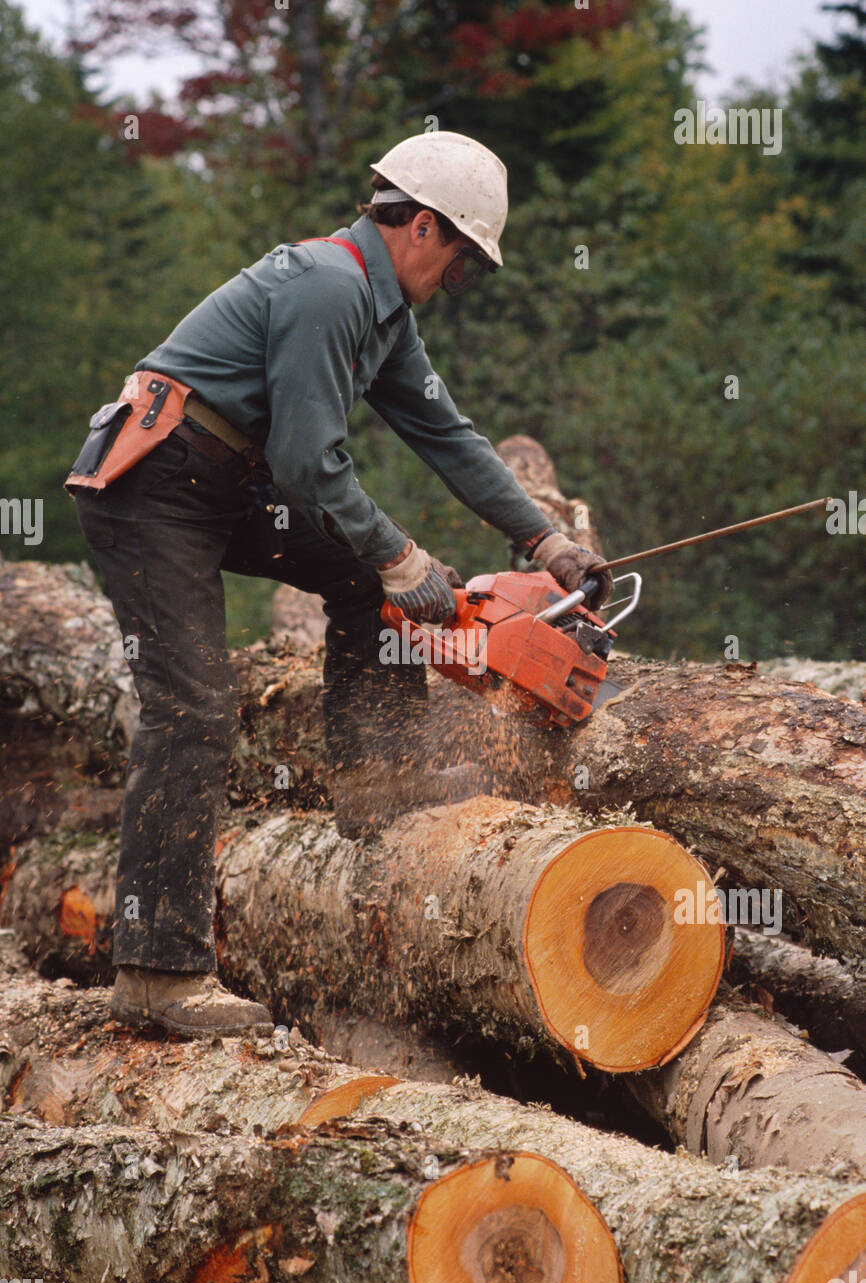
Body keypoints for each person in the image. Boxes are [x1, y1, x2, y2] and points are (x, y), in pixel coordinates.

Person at [66, 130, 612, 1038]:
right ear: (424, 227)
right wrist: (401, 552)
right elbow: (307, 461)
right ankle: (155, 971)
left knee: (370, 584)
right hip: (154, 489)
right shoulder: (328, 288)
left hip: (225, 485)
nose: (457, 281)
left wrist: (546, 541)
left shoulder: (383, 310)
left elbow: (448, 436)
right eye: (464, 263)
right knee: (193, 710)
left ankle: (375, 782)